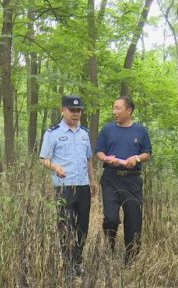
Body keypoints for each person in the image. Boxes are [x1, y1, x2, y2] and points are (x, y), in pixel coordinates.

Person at [39, 95, 97, 277]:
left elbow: (88, 159)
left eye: (78, 110)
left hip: (82, 186)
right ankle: (67, 263)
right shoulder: (53, 133)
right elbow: (43, 159)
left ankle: (77, 262)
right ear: (62, 110)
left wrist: (92, 180)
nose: (76, 114)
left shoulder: (84, 133)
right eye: (72, 110)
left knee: (82, 226)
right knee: (66, 225)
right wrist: (55, 167)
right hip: (64, 186)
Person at [95, 96, 152, 265]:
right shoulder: (107, 130)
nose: (114, 112)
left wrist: (136, 158)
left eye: (118, 108)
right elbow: (99, 152)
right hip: (111, 178)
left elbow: (147, 153)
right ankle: (109, 247)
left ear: (129, 110)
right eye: (113, 108)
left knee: (133, 221)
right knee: (111, 218)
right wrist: (106, 159)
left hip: (132, 180)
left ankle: (130, 260)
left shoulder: (140, 131)